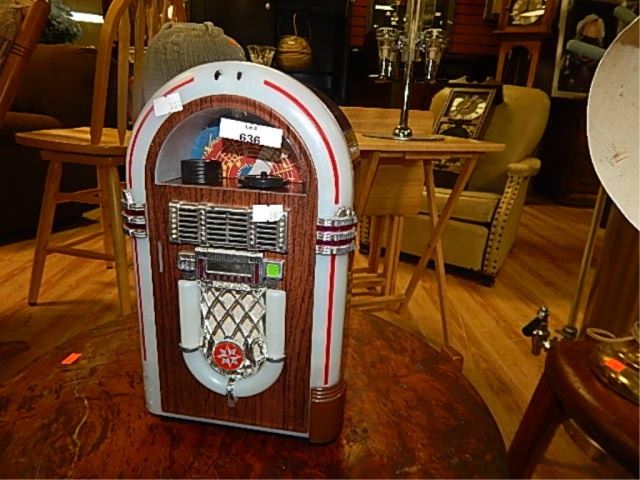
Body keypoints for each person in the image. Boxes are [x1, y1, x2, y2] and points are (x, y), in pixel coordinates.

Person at [558, 13, 605, 93]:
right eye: (585, 40)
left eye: (592, 42)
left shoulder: (601, 65)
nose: (587, 48)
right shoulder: (568, 59)